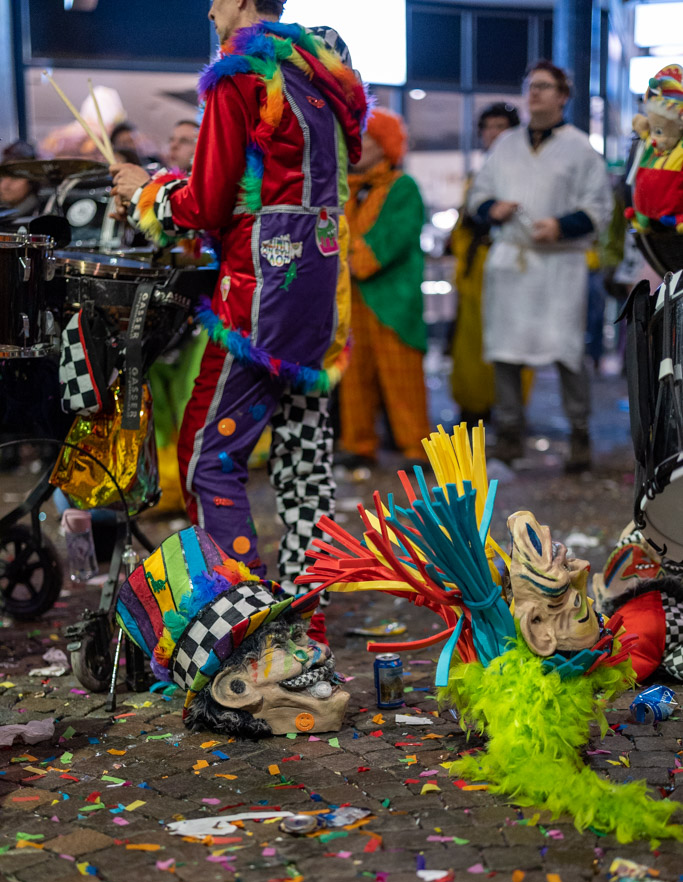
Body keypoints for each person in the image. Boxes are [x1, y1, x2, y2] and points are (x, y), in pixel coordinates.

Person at [110, 0, 367, 608]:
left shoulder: (239, 71)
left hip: (265, 286)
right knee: (304, 459)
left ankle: (246, 621)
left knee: (206, 458)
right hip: (325, 281)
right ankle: (307, 608)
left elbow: (203, 204)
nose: (208, 10)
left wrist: (146, 190)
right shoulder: (323, 63)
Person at [468, 60, 612, 471]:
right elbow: (477, 197)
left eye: (545, 87)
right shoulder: (506, 144)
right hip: (511, 261)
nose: (535, 93)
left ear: (563, 96)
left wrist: (562, 225)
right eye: (531, 86)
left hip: (558, 266)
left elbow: (599, 208)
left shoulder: (581, 148)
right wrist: (492, 208)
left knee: (566, 352)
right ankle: (510, 436)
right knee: (506, 352)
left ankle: (580, 437)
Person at [337, 107, 431, 470]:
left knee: (402, 375)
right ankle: (358, 443)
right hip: (351, 296)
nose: (358, 144)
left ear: (384, 144)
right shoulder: (345, 187)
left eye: (367, 137)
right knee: (354, 373)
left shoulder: (402, 186)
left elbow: (391, 238)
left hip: (393, 297)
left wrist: (349, 258)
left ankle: (416, 449)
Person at [450, 102, 524, 426]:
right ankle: (473, 409)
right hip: (476, 269)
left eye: (500, 127)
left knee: (513, 342)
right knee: (470, 343)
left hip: (514, 267)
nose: (493, 134)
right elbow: (464, 225)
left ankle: (509, 413)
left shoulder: (524, 171)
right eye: (488, 127)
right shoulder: (478, 176)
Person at [0, 141, 42, 226]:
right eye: (2, 177)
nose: (4, 186)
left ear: (32, 181)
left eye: (15, 178)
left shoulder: (43, 212)